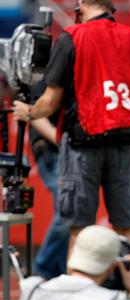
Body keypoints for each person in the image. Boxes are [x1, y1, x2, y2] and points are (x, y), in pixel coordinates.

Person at [12, 0, 130, 284]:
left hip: (83, 142)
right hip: (124, 139)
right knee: (129, 230)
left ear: (81, 5)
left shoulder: (72, 36)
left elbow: (49, 102)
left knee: (79, 230)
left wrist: (28, 112)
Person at [29, 80, 70, 280]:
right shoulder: (50, 67)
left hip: (69, 148)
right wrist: (62, 139)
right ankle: (43, 270)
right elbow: (34, 112)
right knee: (67, 210)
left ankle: (58, 274)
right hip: (52, 149)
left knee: (70, 212)